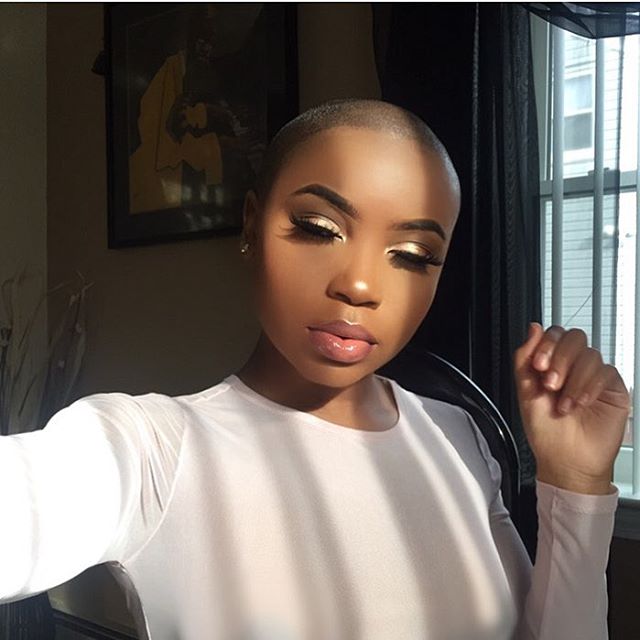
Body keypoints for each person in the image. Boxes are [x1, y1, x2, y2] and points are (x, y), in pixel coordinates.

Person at [0, 99, 629, 640]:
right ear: (252, 225)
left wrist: (577, 483)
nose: (361, 285)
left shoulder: (456, 437)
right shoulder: (149, 453)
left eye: (413, 254)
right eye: (319, 227)